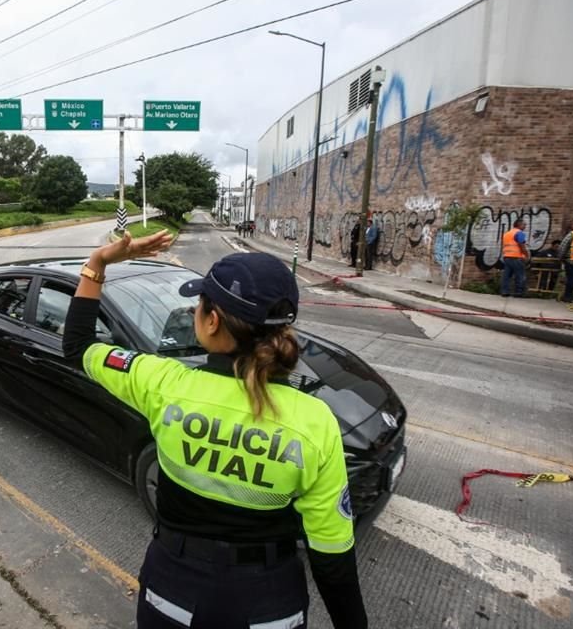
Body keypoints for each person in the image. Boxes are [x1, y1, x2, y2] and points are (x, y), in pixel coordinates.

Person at [63, 232, 367, 629]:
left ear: (211, 320)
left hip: (173, 591)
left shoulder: (162, 383)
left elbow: (79, 345)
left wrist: (99, 262)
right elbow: (332, 557)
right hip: (270, 604)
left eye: (198, 304)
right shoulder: (315, 420)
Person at [500, 219, 529, 297]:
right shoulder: (519, 233)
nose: (525, 226)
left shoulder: (507, 233)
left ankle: (505, 291)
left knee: (507, 275)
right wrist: (526, 254)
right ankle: (518, 292)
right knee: (520, 275)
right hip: (516, 257)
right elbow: (521, 244)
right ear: (519, 225)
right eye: (524, 225)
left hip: (507, 256)